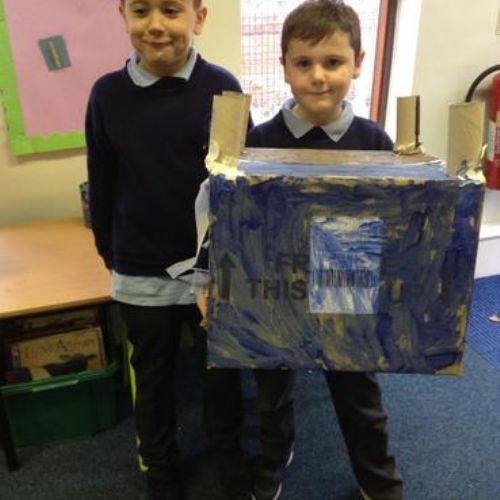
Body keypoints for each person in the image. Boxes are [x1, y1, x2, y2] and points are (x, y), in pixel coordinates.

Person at [204, 1, 404, 499]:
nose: (318, 76)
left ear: (357, 63)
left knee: (358, 392)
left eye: (333, 62)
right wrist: (213, 279)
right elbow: (232, 218)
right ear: (285, 67)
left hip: (346, 282)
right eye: (303, 63)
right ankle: (275, 456)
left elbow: (393, 221)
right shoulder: (259, 140)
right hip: (277, 284)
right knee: (271, 388)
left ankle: (377, 477)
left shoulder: (374, 141)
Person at [85, 1, 245, 499]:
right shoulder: (107, 94)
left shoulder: (224, 88)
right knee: (152, 376)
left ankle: (229, 455)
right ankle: (159, 466)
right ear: (123, 15)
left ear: (198, 17)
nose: (155, 25)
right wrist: (110, 250)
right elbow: (102, 180)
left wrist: (235, 260)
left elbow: (238, 183)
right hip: (141, 267)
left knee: (221, 374)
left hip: (213, 269)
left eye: (171, 10)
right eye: (141, 10)